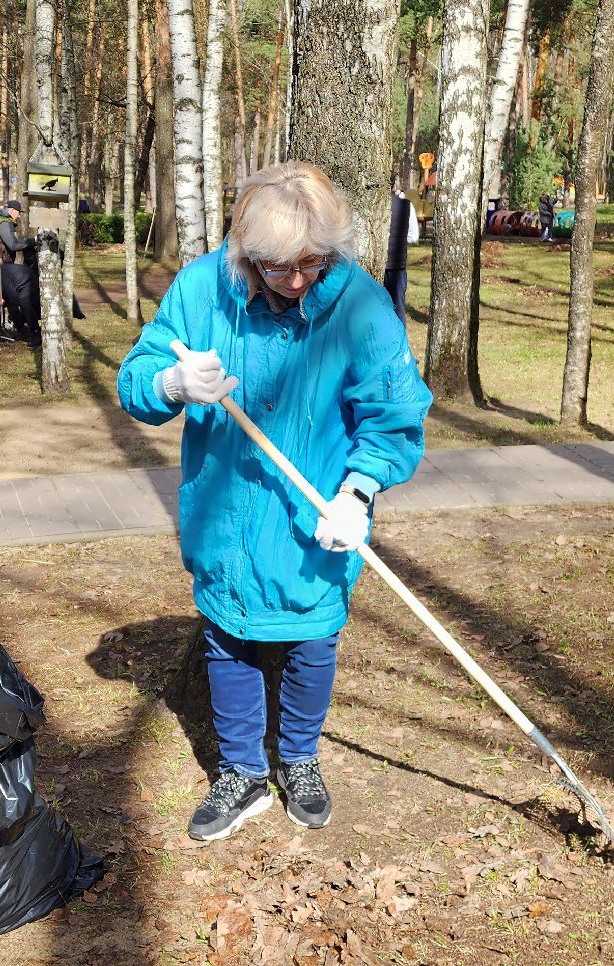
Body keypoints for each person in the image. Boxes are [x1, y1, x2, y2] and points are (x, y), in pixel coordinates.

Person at [116, 162, 432, 843]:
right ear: (244, 253)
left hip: (315, 519)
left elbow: (395, 415)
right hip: (224, 517)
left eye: (311, 263)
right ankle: (240, 773)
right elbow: (135, 380)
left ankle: (298, 759)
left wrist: (359, 490)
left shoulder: (359, 307)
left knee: (312, 642)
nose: (295, 282)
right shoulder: (206, 289)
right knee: (227, 640)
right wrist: (170, 383)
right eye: (277, 267)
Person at [381, 182, 413, 321]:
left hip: (382, 263)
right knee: (398, 309)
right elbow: (413, 235)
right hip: (398, 265)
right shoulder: (405, 205)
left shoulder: (375, 208)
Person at [0, 199, 29, 263]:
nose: (19, 216)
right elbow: (13, 245)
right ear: (12, 210)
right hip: (0, 262)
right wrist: (31, 242)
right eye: (18, 212)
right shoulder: (5, 223)